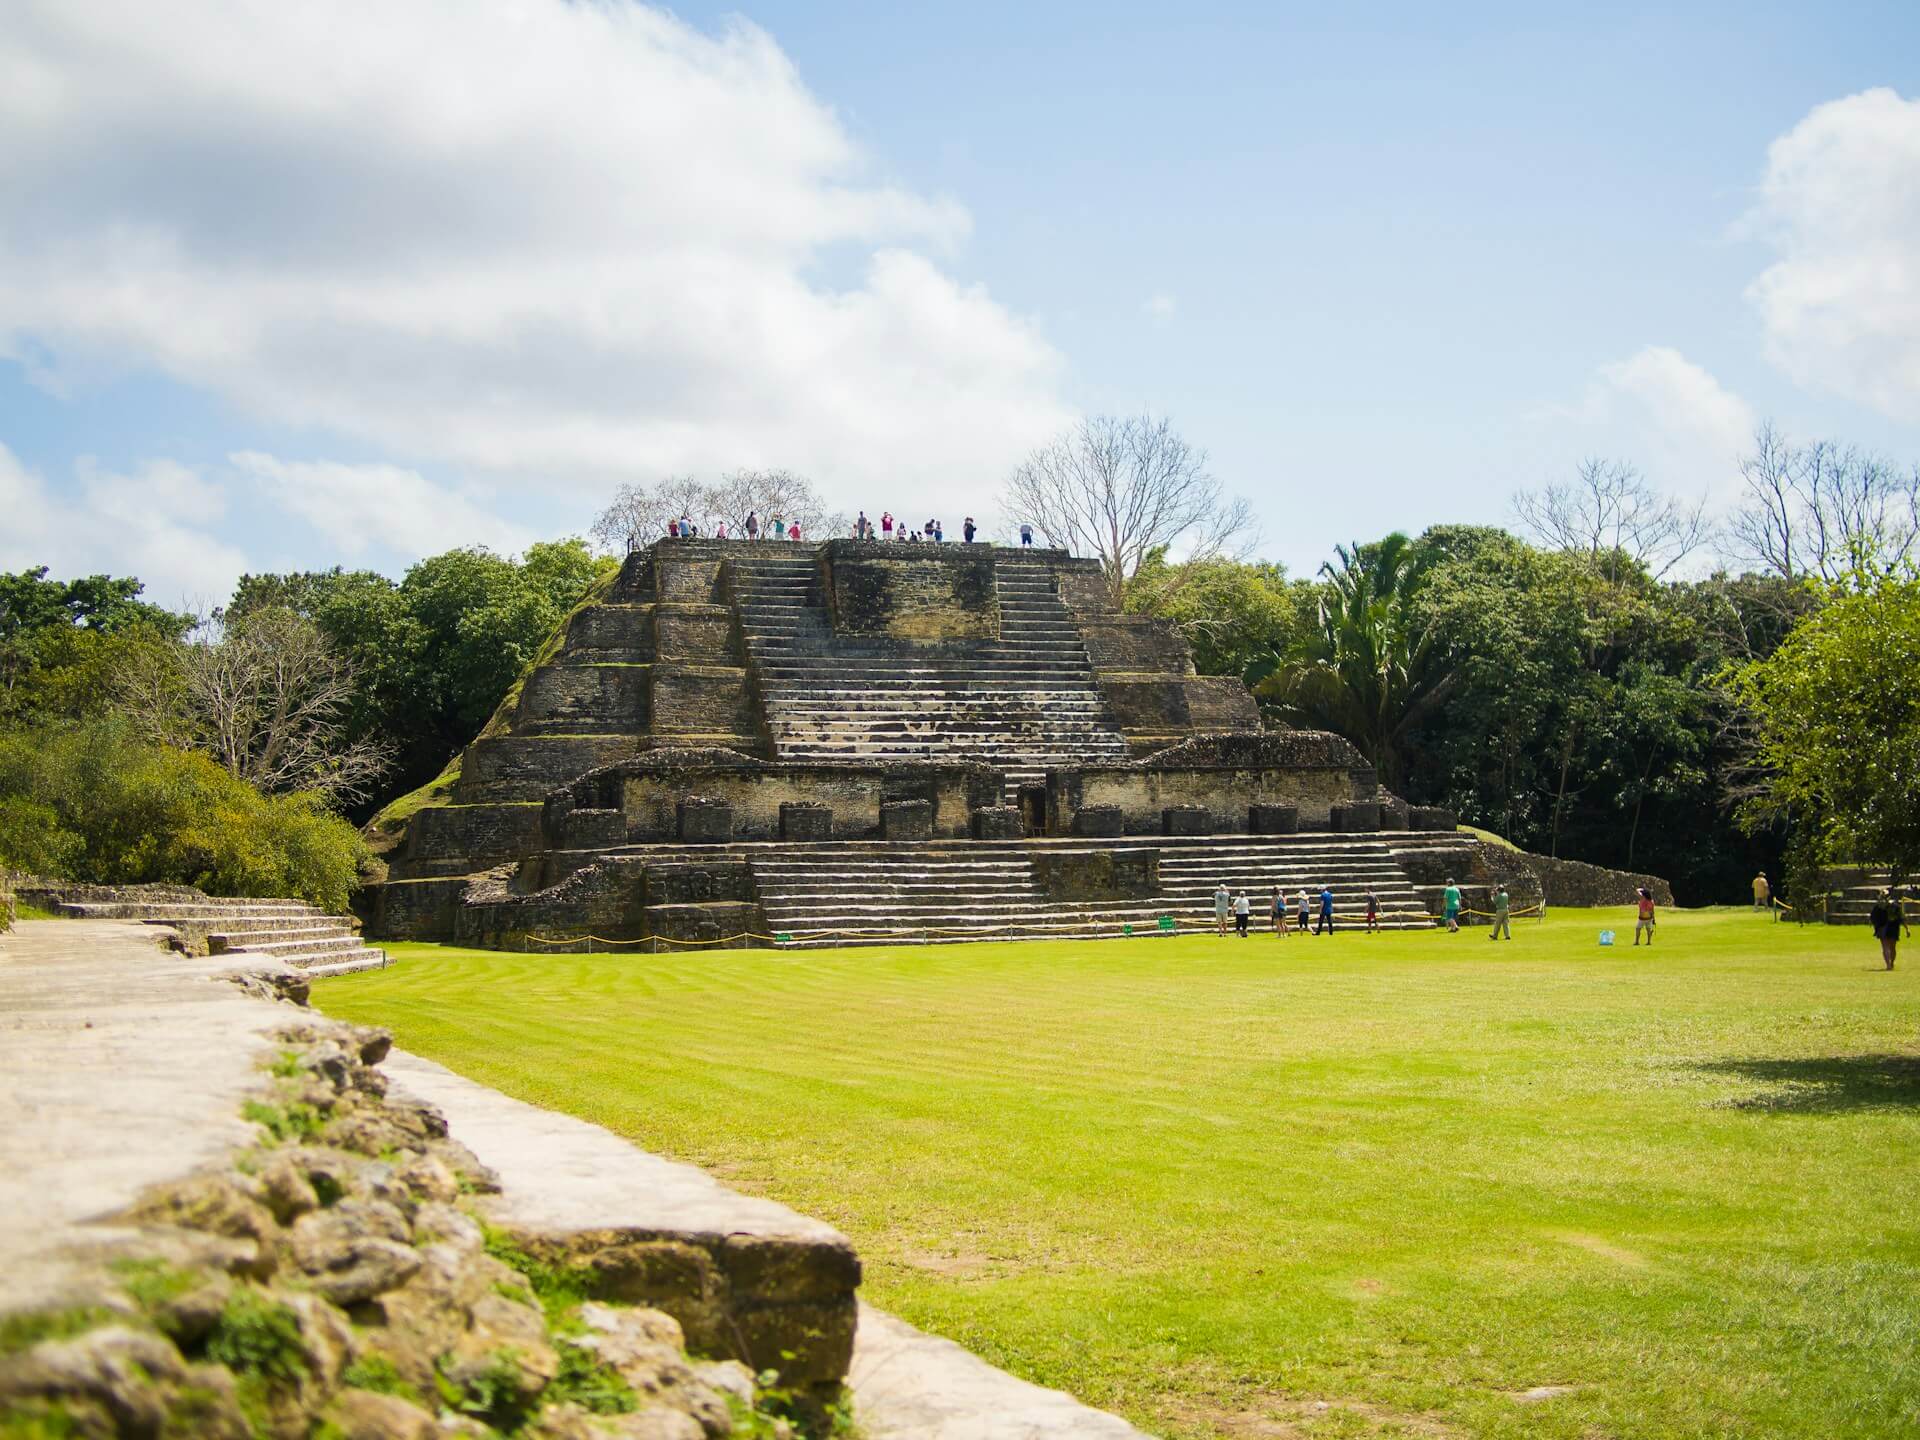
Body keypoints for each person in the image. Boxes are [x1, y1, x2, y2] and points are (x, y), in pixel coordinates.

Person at [1869, 888, 1908, 970]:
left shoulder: (1878, 906)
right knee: (1892, 947)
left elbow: (1872, 918)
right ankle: (1891, 964)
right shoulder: (1895, 906)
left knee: (1886, 947)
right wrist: (1907, 929)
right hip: (1893, 928)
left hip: (1883, 928)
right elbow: (1902, 918)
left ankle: (1888, 965)